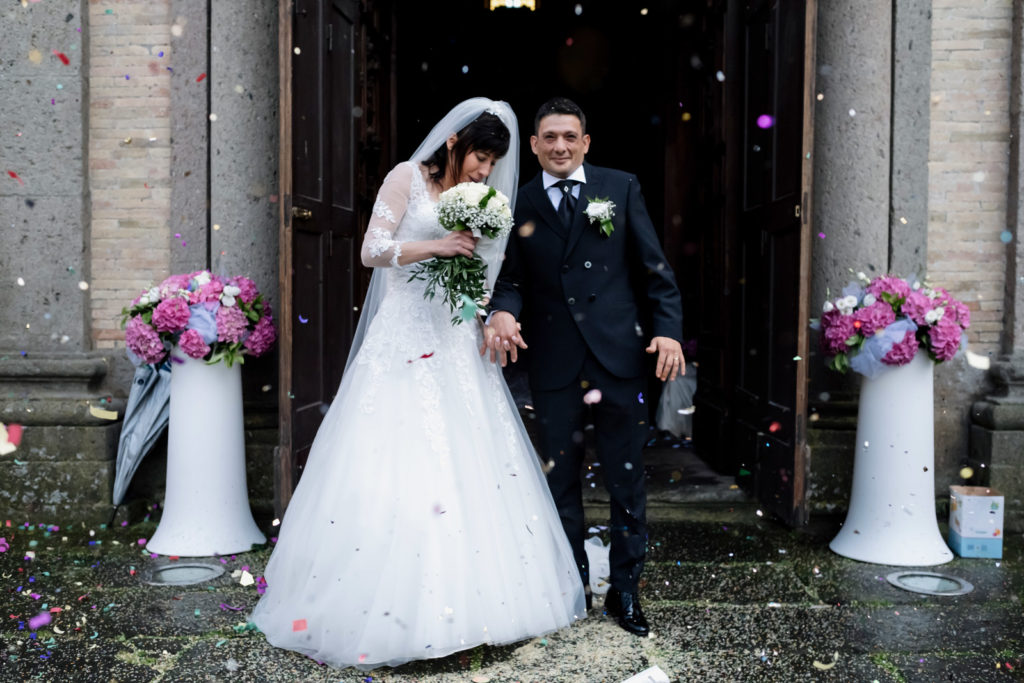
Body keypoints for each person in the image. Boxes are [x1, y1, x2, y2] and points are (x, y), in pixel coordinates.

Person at [251, 98, 586, 670]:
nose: (484, 172)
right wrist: (438, 243)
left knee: (469, 459)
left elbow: (480, 275)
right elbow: (371, 251)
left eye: (492, 163)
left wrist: (484, 312)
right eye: (480, 158)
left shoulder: (482, 199)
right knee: (392, 455)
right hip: (402, 336)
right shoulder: (405, 177)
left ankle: (475, 601)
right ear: (454, 143)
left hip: (453, 339)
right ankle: (376, 601)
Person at [485, 97, 684, 637]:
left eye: (570, 137)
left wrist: (667, 328)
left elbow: (654, 269)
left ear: (586, 142)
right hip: (555, 364)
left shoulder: (620, 187)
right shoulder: (517, 203)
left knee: (627, 481)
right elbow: (511, 280)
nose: (560, 147)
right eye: (549, 137)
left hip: (620, 359)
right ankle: (570, 589)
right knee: (561, 483)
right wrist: (503, 309)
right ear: (533, 144)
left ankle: (625, 592)